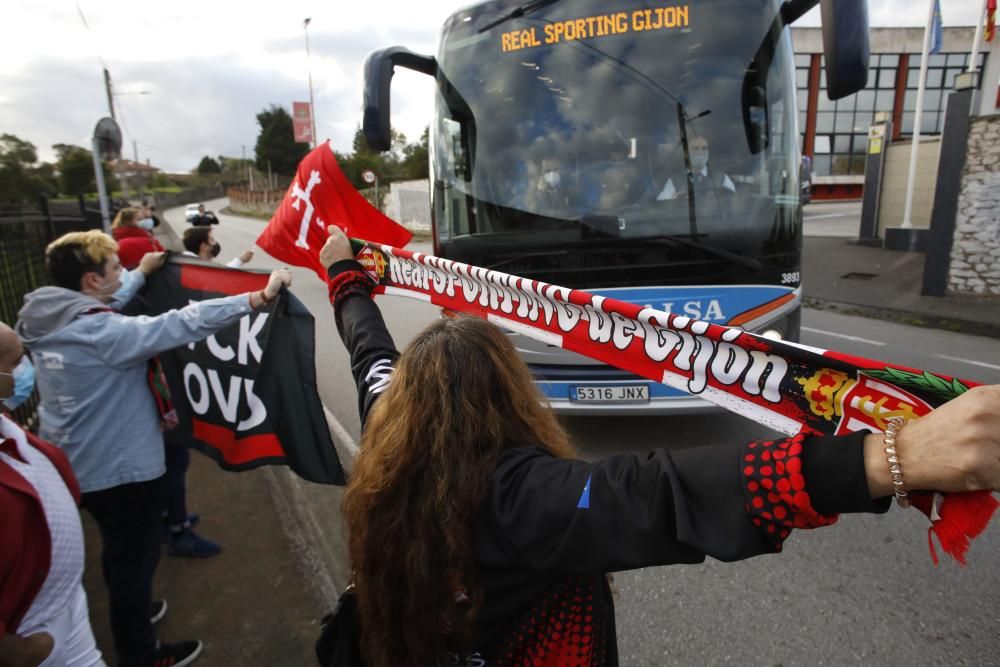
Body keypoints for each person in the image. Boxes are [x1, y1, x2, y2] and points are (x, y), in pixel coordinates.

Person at [317, 225, 1000, 666]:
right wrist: (893, 458)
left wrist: (345, 276)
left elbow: (367, 347)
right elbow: (661, 492)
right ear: (510, 392)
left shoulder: (385, 423)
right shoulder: (521, 497)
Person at [15, 230, 292, 667]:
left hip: (72, 465)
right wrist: (254, 299)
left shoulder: (45, 318)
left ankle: (135, 614)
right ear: (90, 281)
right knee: (133, 564)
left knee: (118, 554)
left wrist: (138, 275)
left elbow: (114, 300)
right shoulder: (99, 330)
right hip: (120, 471)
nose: (122, 274)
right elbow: (177, 324)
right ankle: (141, 653)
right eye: (114, 269)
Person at [1, 323, 105, 667]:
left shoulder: (4, 416)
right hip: (32, 637)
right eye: (15, 363)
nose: (24, 370)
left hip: (64, 603)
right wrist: (17, 651)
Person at [657, 135, 735, 200]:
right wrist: (676, 198)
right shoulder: (674, 180)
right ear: (686, 154)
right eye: (696, 148)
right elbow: (661, 204)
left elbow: (734, 203)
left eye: (704, 148)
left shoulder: (721, 178)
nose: (701, 152)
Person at [181, 227, 254, 269]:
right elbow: (221, 278)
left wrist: (241, 260)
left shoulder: (190, 263)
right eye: (212, 240)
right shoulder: (196, 269)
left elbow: (222, 274)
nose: (215, 243)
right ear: (204, 246)